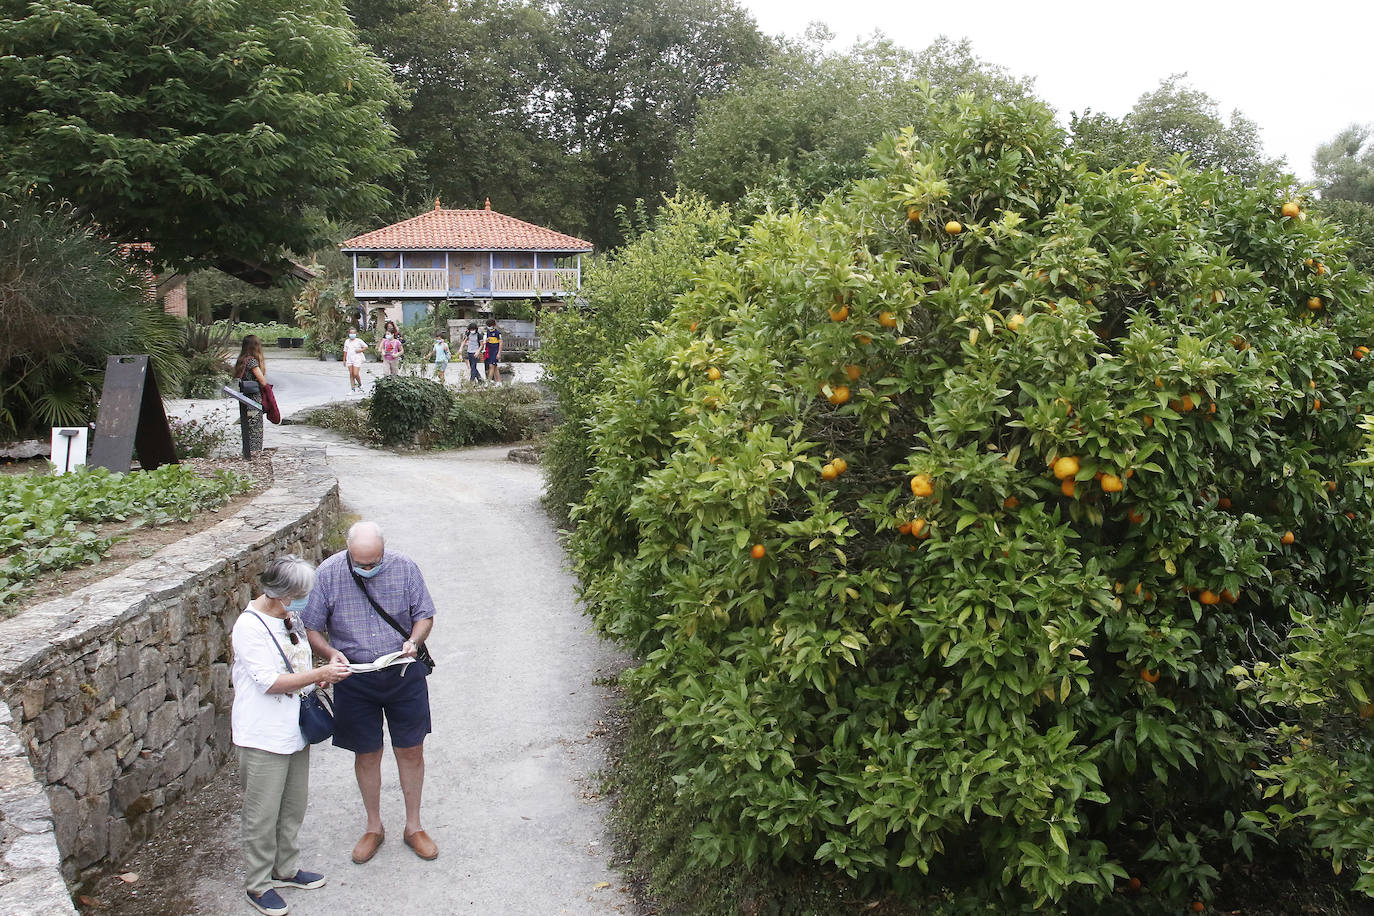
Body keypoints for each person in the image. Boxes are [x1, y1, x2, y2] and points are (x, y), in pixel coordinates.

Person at [302, 521, 438, 865]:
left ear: (383, 550)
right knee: (366, 753)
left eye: (373, 561)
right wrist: (330, 654)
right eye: (360, 563)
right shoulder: (329, 572)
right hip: (355, 677)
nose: (368, 569)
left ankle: (414, 826)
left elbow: (425, 615)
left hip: (402, 672)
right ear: (348, 552)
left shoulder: (404, 566)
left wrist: (414, 640)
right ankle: (373, 827)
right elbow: (312, 626)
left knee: (411, 750)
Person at [232, 555, 351, 916]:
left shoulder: (289, 616)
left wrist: (323, 667)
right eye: (297, 595)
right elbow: (269, 682)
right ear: (278, 593)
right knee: (262, 812)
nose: (302, 602)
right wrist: (321, 676)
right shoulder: (249, 627)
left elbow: (295, 662)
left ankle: (286, 868)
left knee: (293, 804)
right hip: (262, 734)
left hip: (293, 729)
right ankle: (257, 883)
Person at [233, 336, 268, 460]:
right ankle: (254, 453)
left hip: (245, 398)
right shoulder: (252, 362)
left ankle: (248, 451)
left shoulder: (242, 360)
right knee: (255, 429)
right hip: (254, 399)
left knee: (248, 427)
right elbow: (263, 381)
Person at [482, 318, 503, 384]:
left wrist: (499, 353)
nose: (489, 327)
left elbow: (501, 343)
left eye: (490, 325)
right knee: (495, 367)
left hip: (495, 351)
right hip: (489, 352)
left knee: (491, 366)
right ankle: (499, 382)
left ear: (494, 325)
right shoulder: (487, 333)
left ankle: (488, 382)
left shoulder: (497, 333)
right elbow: (485, 342)